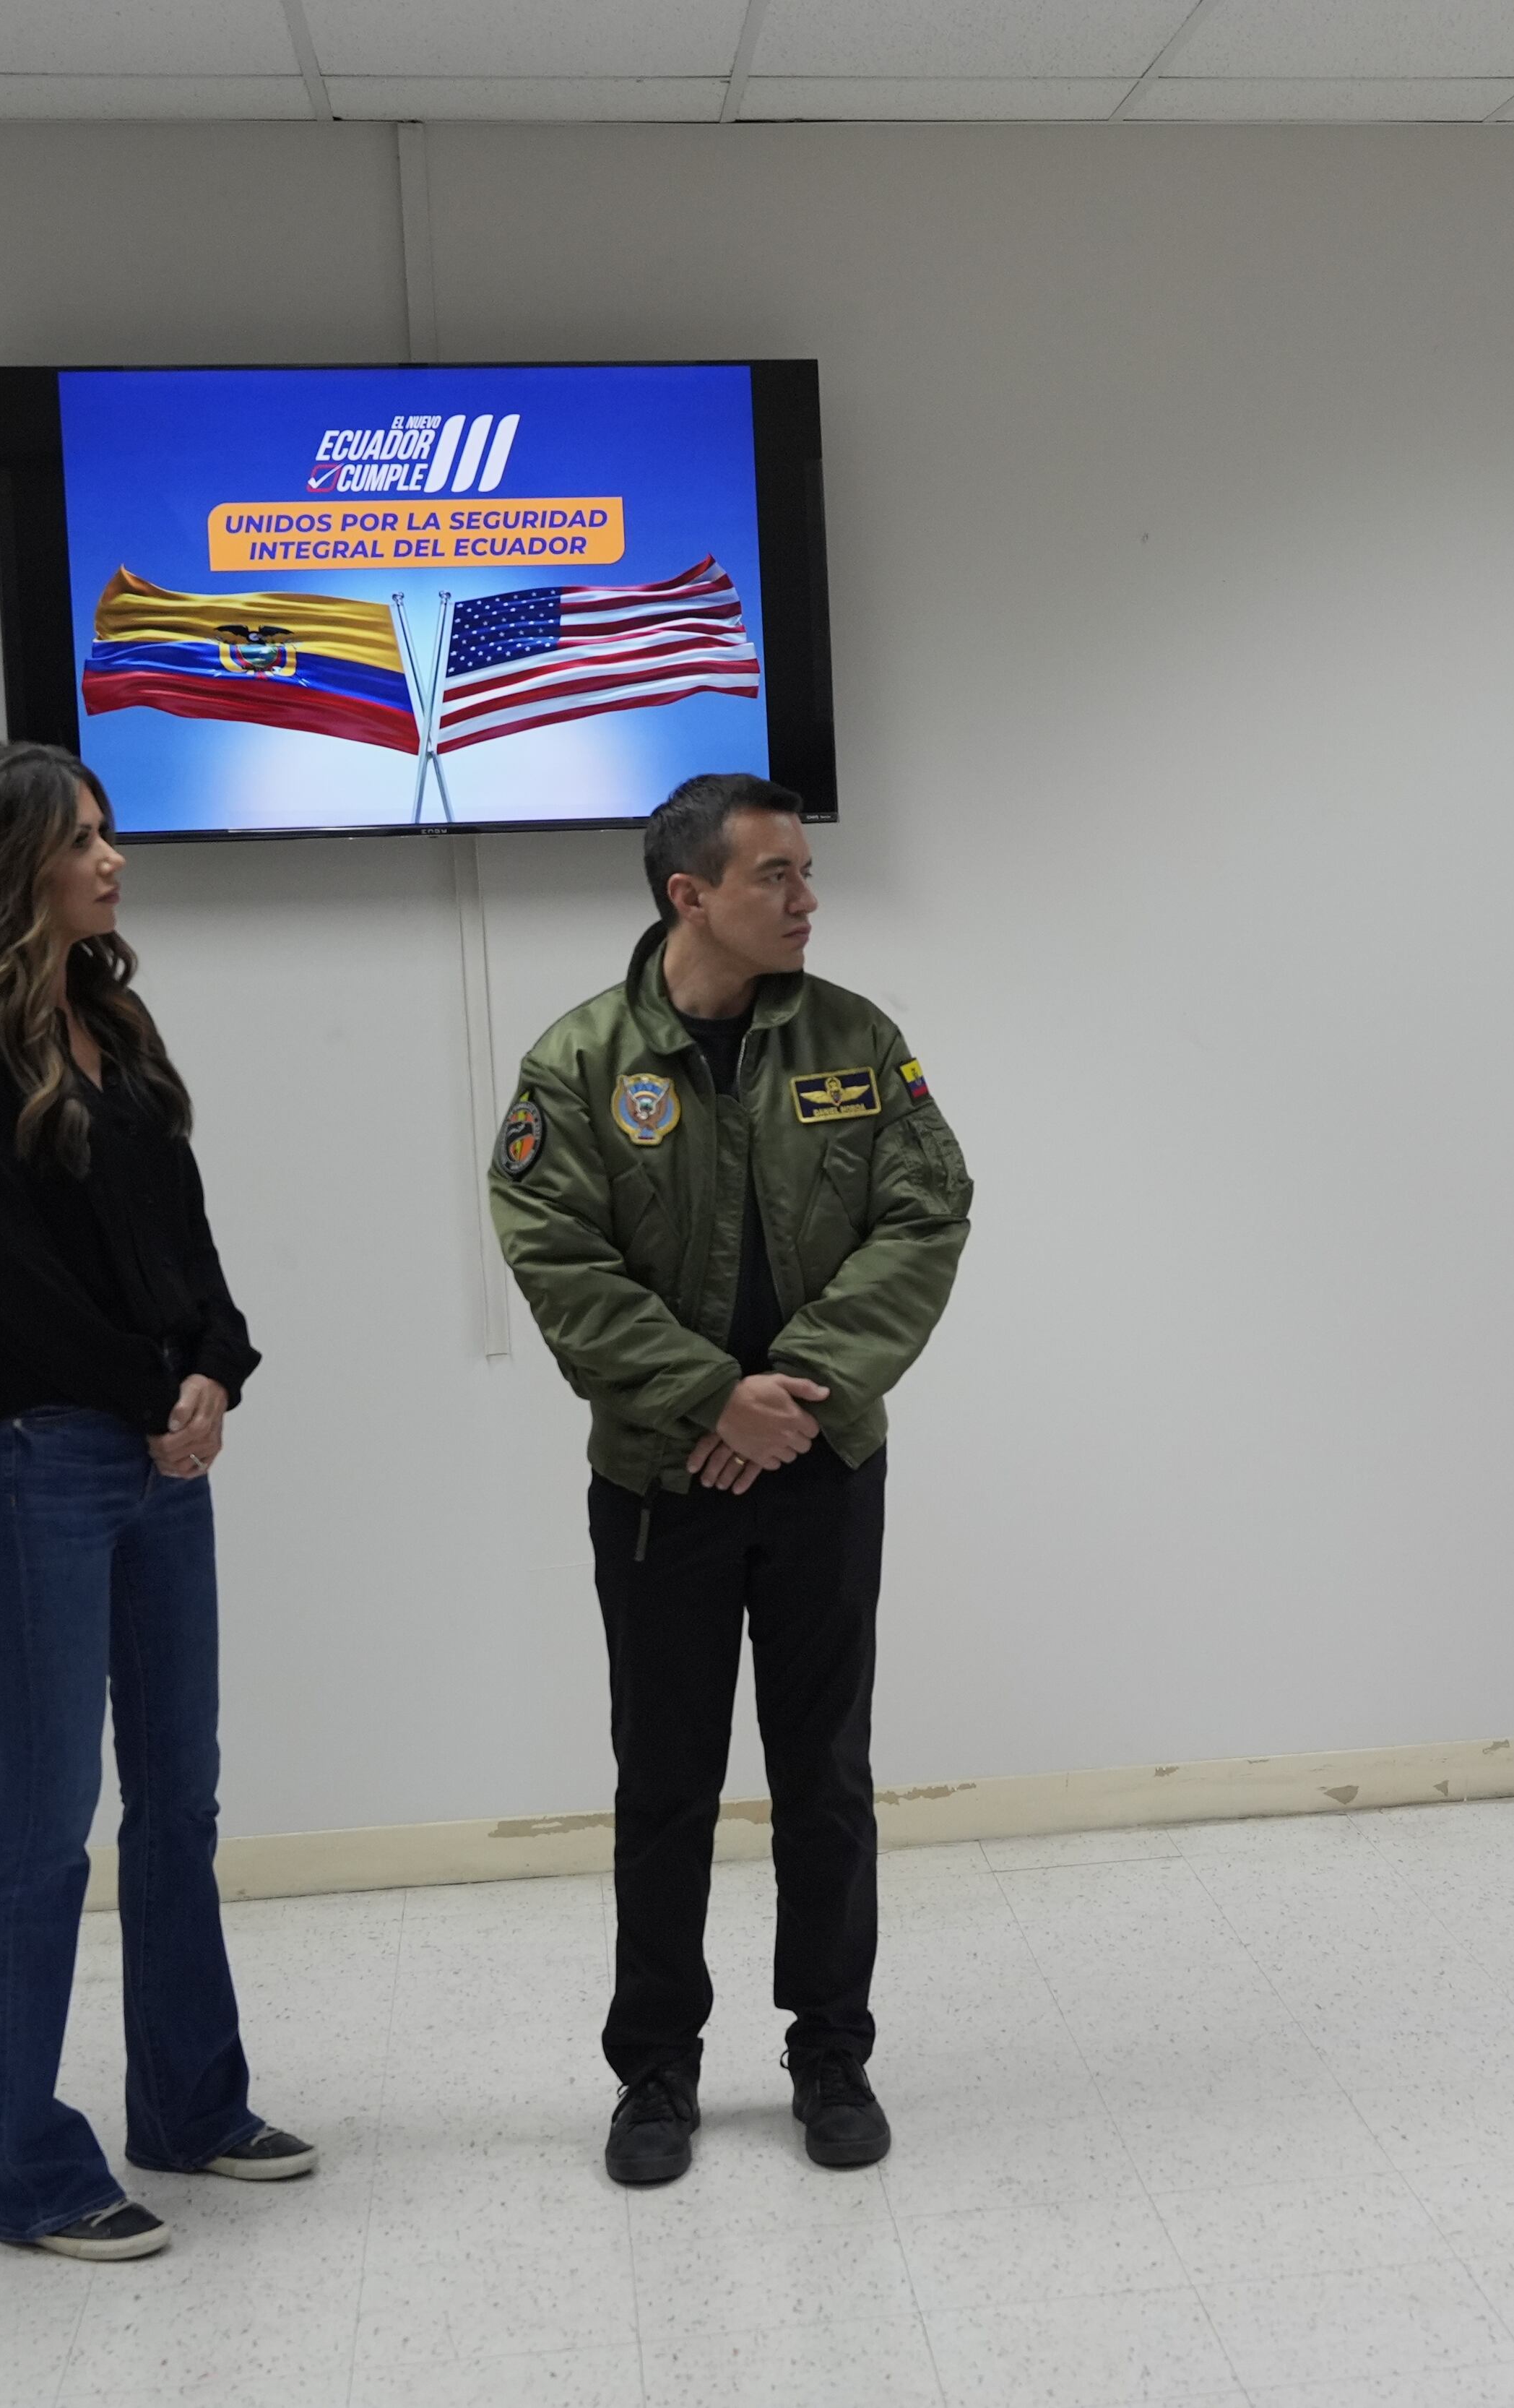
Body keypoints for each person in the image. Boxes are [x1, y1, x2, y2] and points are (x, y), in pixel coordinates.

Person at [490, 774, 972, 2190]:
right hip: (663, 1481)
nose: (807, 898)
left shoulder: (855, 1040)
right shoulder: (581, 1063)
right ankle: (655, 2067)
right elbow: (557, 1256)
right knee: (667, 1782)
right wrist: (713, 1397)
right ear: (688, 894)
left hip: (823, 1466)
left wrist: (794, 1389)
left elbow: (927, 1211)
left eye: (807, 872)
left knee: (824, 1775)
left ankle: (832, 2051)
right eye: (777, 875)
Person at [0, 741, 315, 2264]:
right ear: (7, 861)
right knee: (47, 1812)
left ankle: (191, 2102)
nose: (112, 858)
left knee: (180, 1794)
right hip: (39, 1462)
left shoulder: (113, 1023)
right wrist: (153, 1390)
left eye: (109, 831)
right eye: (83, 837)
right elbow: (1, 1273)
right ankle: (28, 2170)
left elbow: (182, 1239)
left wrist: (215, 1370)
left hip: (154, 1452)